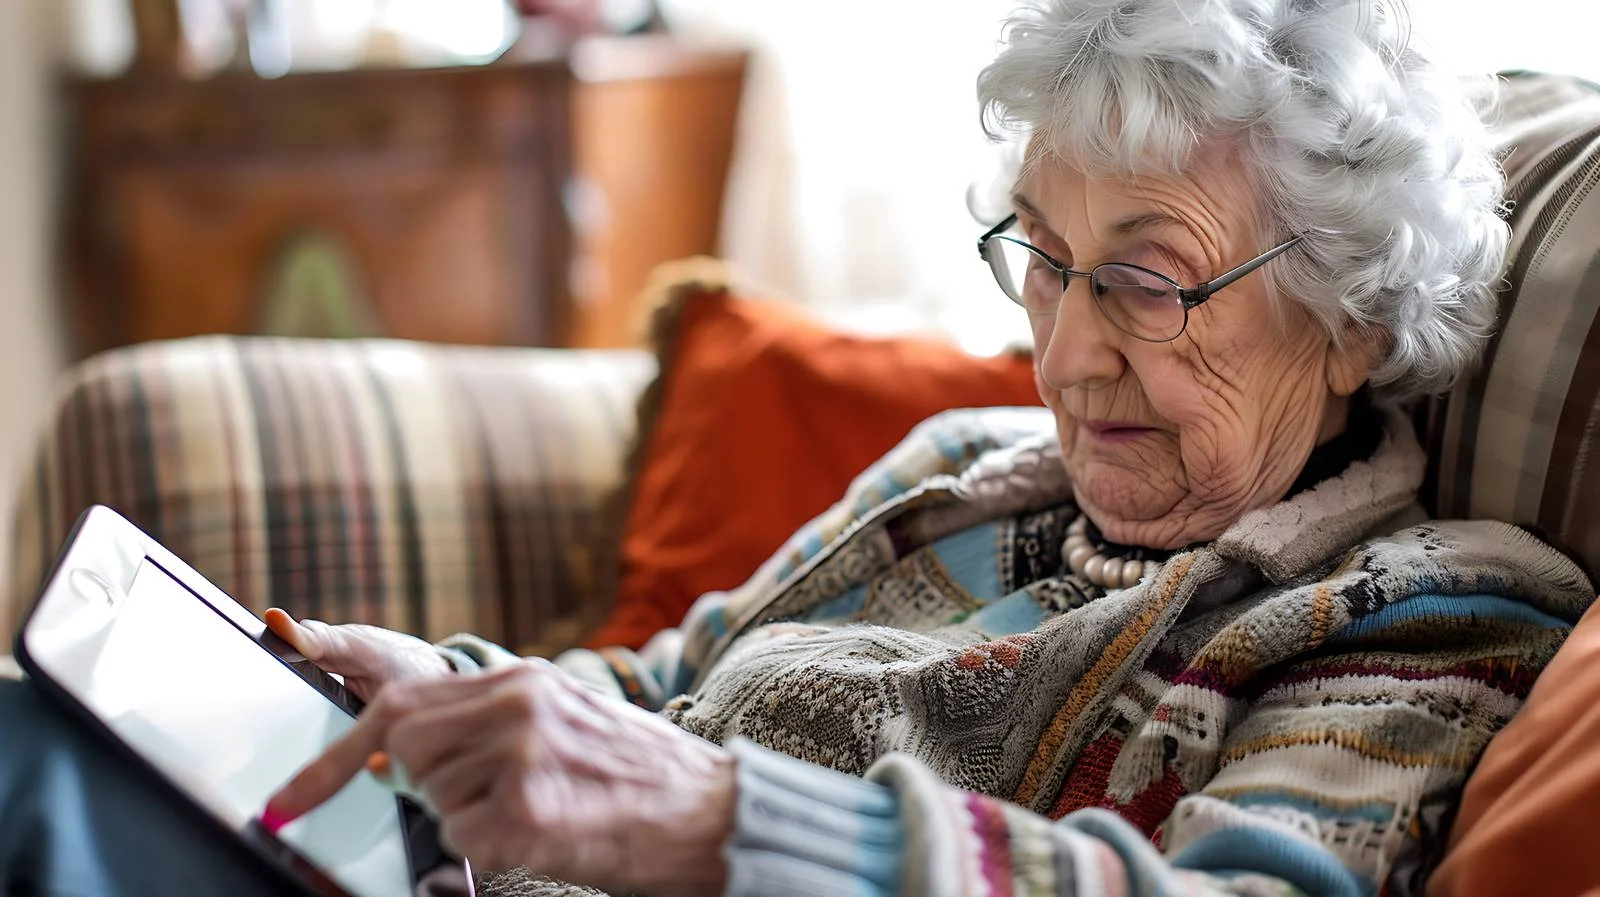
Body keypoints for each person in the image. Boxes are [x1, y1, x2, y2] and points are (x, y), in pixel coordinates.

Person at [3, 0, 1594, 894]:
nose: (1068, 345)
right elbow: (663, 686)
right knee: (47, 735)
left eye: (1149, 280)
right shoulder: (956, 477)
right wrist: (451, 691)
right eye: (1043, 256)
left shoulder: (1423, 612)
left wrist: (712, 822)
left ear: (1358, 320)